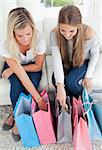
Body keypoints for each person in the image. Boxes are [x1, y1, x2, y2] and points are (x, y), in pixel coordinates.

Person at [0, 7, 47, 141]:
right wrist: (15, 69)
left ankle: (16, 117)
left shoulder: (39, 38)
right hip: (15, 64)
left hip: (32, 66)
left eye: (28, 33)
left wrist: (14, 69)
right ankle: (18, 118)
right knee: (16, 84)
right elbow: (20, 74)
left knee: (30, 85)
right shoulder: (5, 44)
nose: (25, 39)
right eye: (20, 36)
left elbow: (38, 66)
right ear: (12, 33)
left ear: (32, 28)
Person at [50, 5, 99, 107]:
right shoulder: (54, 34)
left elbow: (95, 54)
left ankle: (78, 105)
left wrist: (88, 76)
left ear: (79, 26)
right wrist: (60, 86)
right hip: (66, 62)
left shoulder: (89, 33)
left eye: (72, 31)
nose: (67, 35)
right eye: (63, 30)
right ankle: (66, 105)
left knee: (71, 83)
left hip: (82, 61)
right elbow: (56, 59)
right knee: (55, 80)